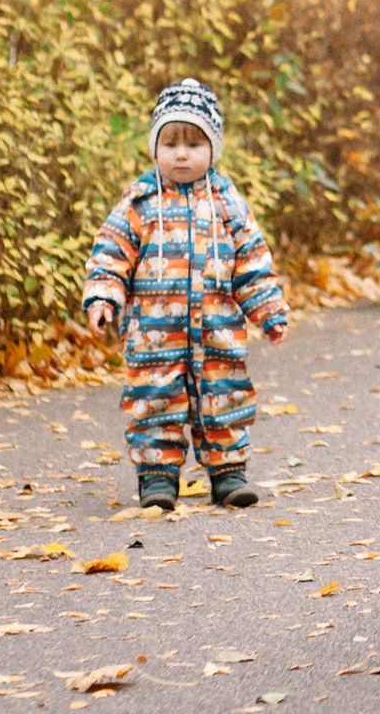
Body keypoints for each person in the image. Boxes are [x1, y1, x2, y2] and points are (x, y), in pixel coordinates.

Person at [84, 78, 290, 511]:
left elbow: (251, 262)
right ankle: (157, 479)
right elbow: (111, 251)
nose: (181, 153)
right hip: (155, 338)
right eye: (171, 143)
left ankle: (228, 474)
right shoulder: (139, 203)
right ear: (154, 147)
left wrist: (269, 309)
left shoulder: (228, 203)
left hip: (218, 332)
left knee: (224, 396)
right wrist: (104, 296)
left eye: (194, 144)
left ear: (213, 149)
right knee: (155, 401)